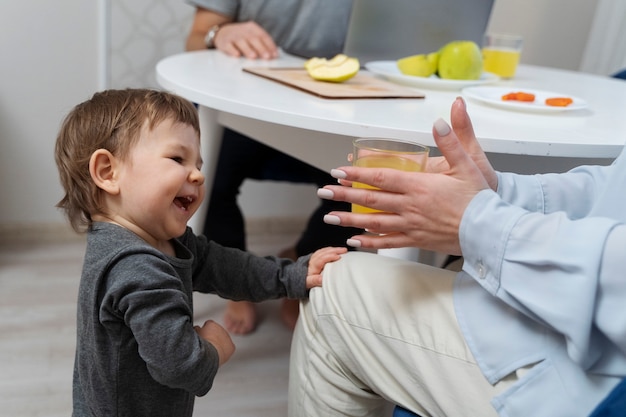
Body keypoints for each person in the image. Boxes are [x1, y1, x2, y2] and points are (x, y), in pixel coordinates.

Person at [288, 97, 626, 417]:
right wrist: (497, 192)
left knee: (333, 290)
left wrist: (481, 224)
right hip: (581, 325)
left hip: (596, 376)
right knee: (448, 270)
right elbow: (613, 190)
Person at [54, 88, 346, 416]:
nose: (198, 174)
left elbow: (227, 267)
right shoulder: (139, 269)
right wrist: (212, 347)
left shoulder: (141, 240)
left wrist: (291, 275)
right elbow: (181, 367)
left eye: (198, 162)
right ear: (108, 172)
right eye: (178, 159)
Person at [184, 0, 359, 334]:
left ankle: (299, 269)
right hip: (244, 104)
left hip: (338, 111)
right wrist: (219, 33)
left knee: (362, 191)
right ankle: (237, 281)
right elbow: (195, 36)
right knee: (203, 178)